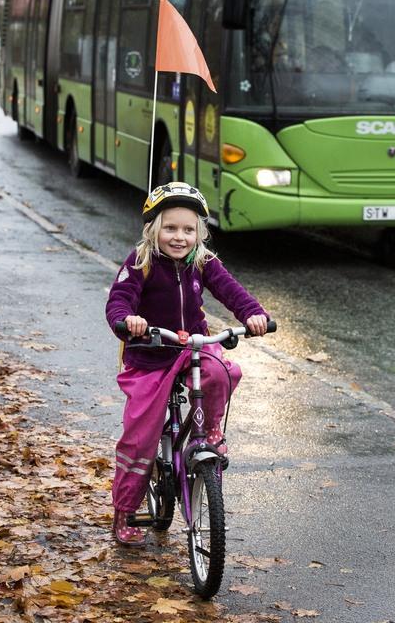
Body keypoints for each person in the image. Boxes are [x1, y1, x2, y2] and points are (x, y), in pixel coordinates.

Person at [106, 182, 269, 546]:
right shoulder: (141, 262)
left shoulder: (203, 262)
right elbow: (119, 300)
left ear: (200, 233)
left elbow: (232, 291)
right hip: (150, 353)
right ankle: (126, 508)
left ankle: (210, 430)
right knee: (140, 437)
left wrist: (254, 314)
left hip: (192, 346)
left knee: (222, 370)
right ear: (153, 230)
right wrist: (128, 320)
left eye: (188, 230)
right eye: (170, 228)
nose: (179, 237)